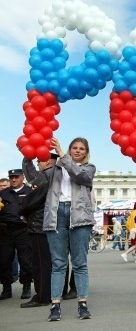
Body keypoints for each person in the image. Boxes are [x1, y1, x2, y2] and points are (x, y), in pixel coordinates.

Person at [22, 136, 95, 321]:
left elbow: (79, 176)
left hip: (79, 217)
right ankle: (55, 305)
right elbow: (33, 178)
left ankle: (82, 303)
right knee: (58, 263)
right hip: (56, 216)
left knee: (79, 263)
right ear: (70, 150)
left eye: (81, 149)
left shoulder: (88, 168)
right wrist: (27, 157)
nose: (78, 150)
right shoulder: (54, 170)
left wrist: (63, 156)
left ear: (86, 153)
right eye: (74, 148)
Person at [19, 153, 58, 308]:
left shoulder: (47, 176)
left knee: (40, 263)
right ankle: (49, 292)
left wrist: (26, 157)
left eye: (38, 161)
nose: (37, 163)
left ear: (47, 162)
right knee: (50, 262)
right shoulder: (55, 176)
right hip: (48, 224)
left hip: (40, 225)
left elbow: (30, 178)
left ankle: (42, 295)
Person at [0, 168, 33, 301]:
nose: (14, 179)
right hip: (5, 231)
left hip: (23, 231)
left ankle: (26, 286)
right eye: (11, 177)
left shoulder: (30, 192)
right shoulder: (3, 193)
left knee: (25, 260)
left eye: (16, 177)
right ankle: (6, 288)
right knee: (4, 260)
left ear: (22, 177)